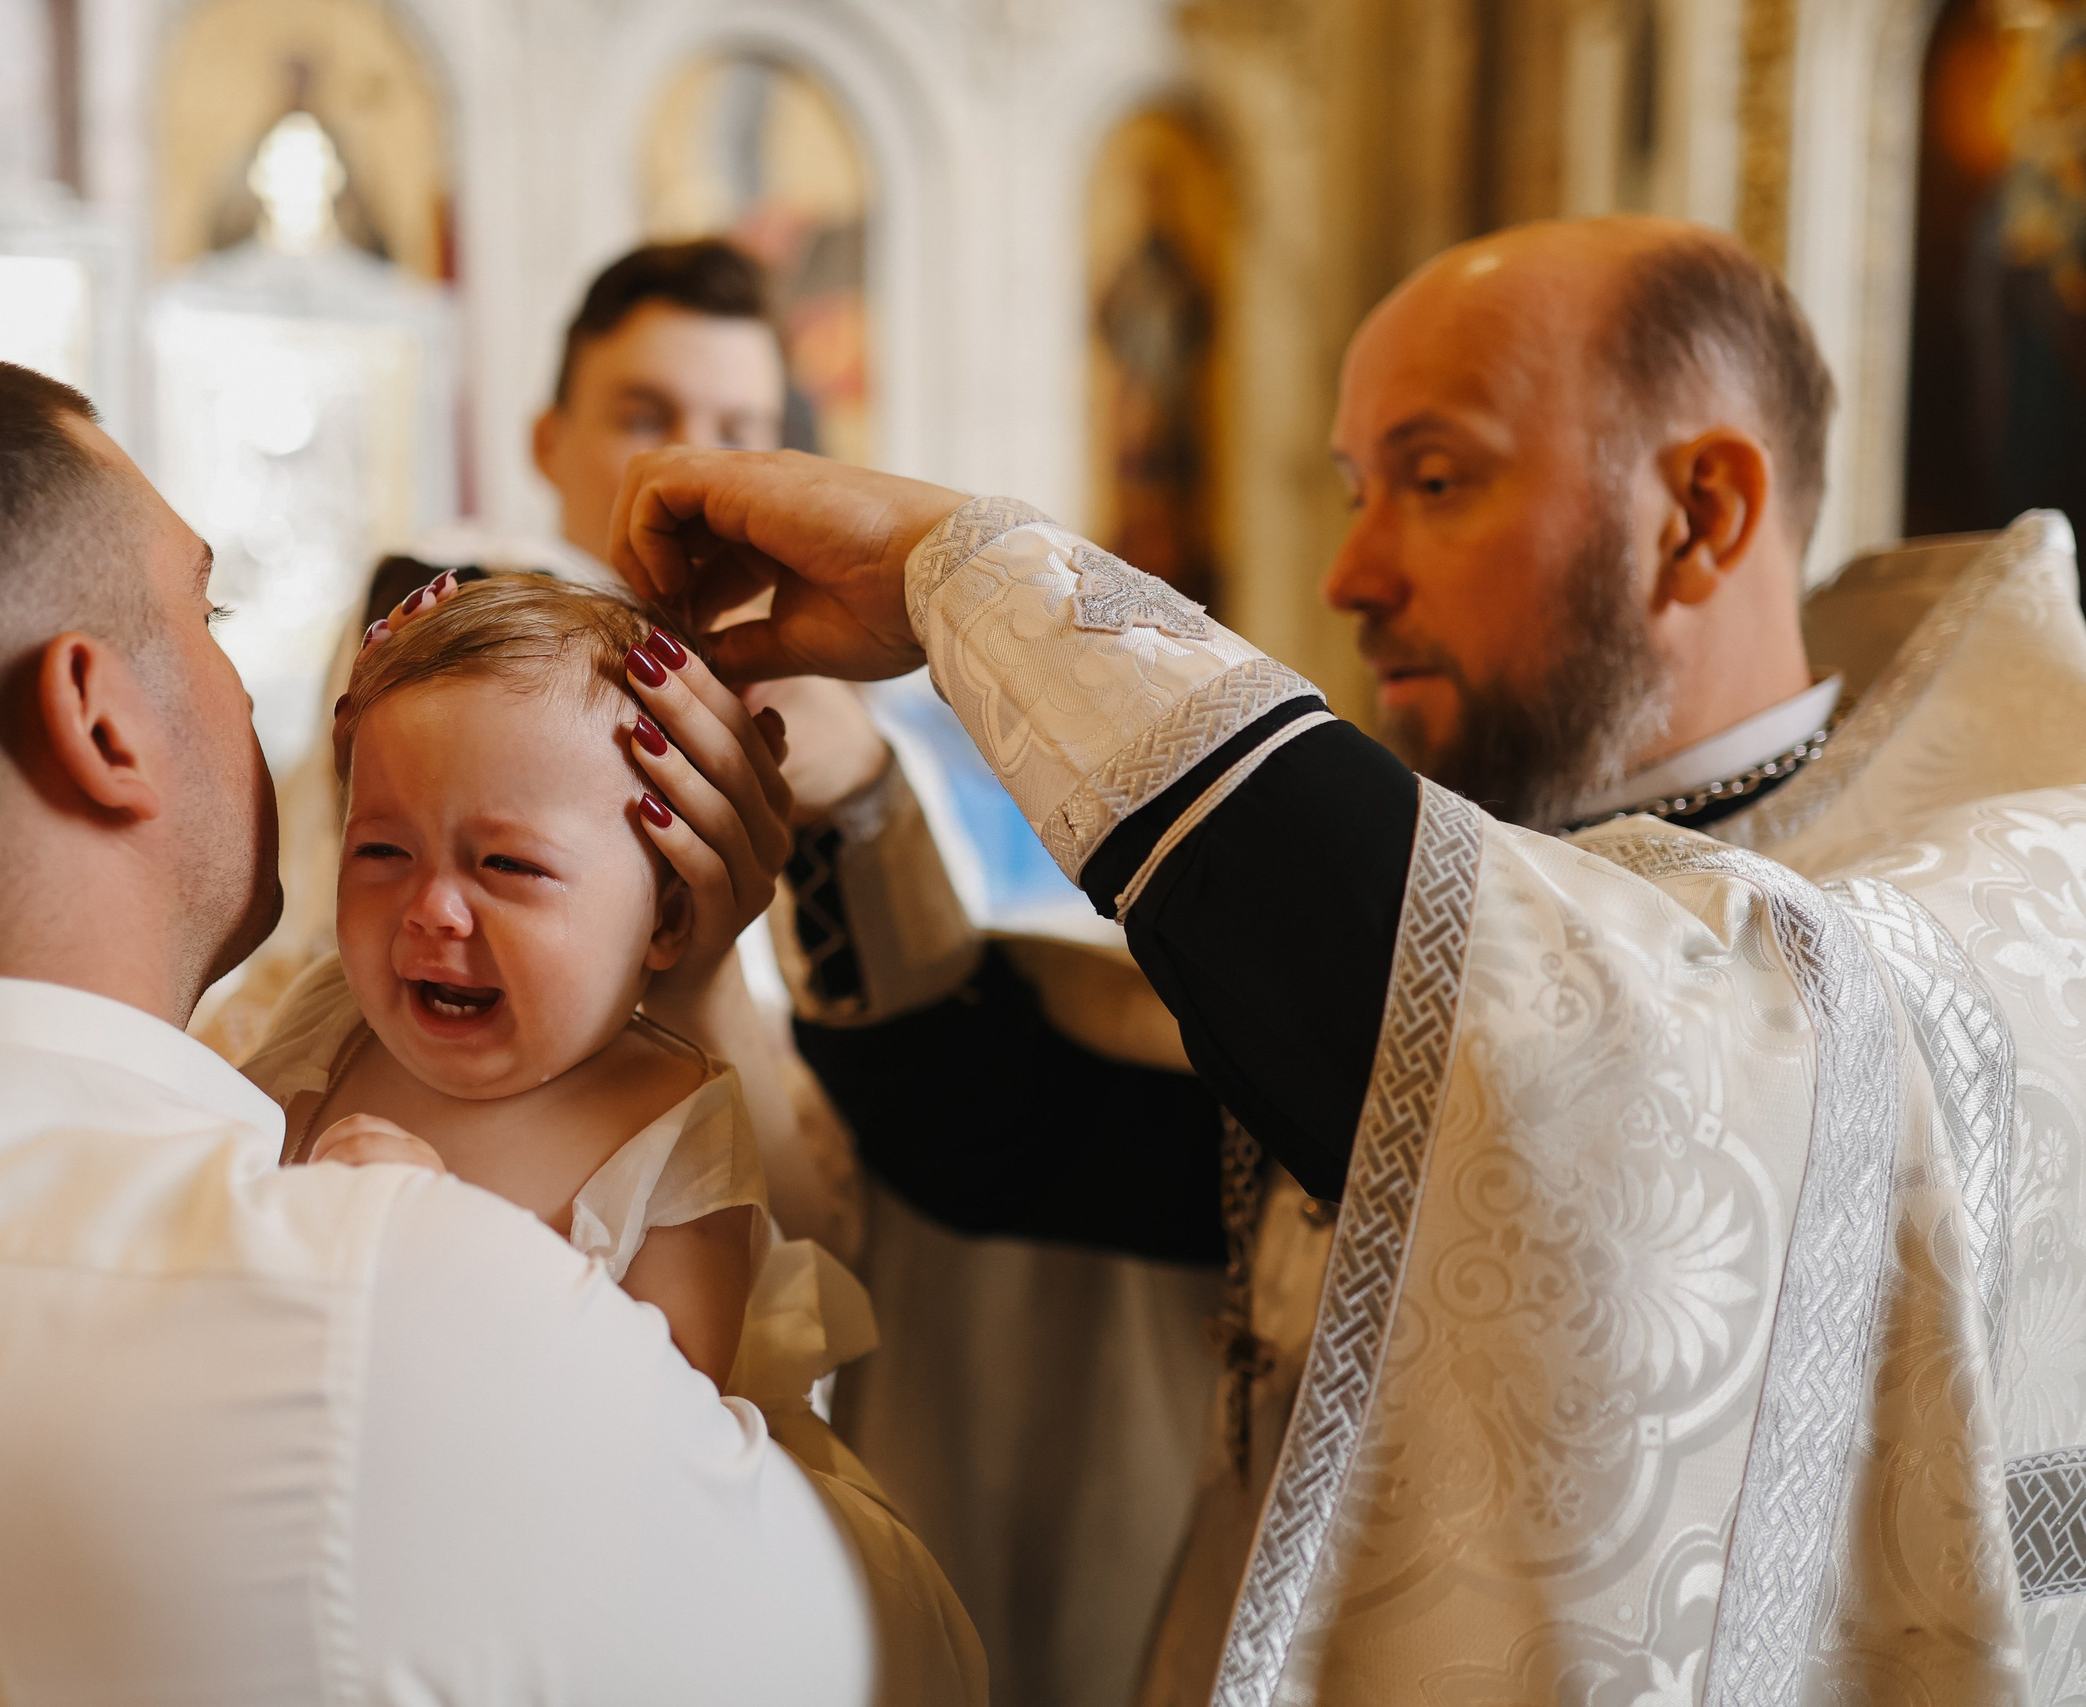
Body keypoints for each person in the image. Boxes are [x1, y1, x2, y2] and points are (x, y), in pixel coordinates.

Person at [609, 215, 2086, 1701]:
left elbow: (1570, 1047)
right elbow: (1015, 1129)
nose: (1351, 572)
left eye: (1435, 480)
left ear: (1699, 511)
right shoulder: (1464, 886)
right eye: (1354, 489)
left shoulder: (1971, 914)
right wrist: (846, 785)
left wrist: (965, 573)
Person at [0, 352, 983, 1705]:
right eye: (207, 616)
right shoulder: (379, 1302)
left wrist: (644, 981)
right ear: (99, 720)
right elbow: (895, 1656)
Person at [242, 571, 879, 1424]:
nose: (431, 907)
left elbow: (661, 1432)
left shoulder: (671, 1126)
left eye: (508, 865)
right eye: (383, 851)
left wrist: (457, 1256)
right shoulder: (332, 1019)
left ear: (669, 911)